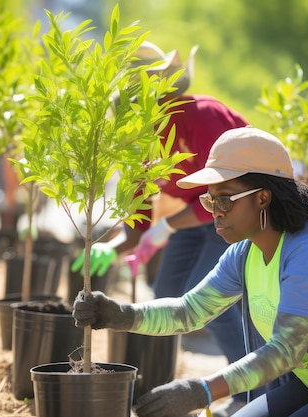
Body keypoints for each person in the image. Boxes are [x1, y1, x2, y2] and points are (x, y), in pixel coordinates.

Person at [73, 126, 308, 417]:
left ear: (262, 197)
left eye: (223, 199)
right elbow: (189, 312)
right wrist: (119, 315)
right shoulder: (245, 254)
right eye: (208, 200)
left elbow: (284, 351)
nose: (213, 211)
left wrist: (201, 391)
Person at [71, 41, 249, 408]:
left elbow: (226, 194)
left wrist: (166, 228)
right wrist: (109, 246)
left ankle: (250, 387)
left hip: (237, 211)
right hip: (194, 216)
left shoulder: (201, 115)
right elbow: (138, 222)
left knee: (209, 298)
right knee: (167, 291)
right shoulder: (137, 139)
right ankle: (160, 380)